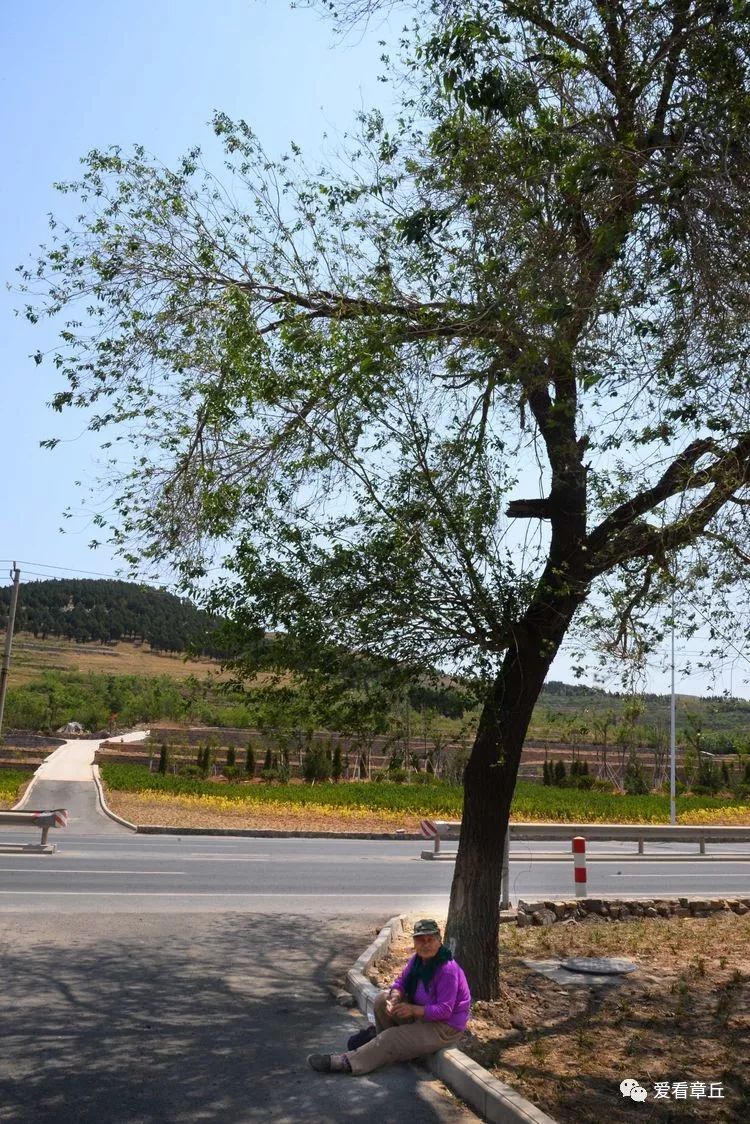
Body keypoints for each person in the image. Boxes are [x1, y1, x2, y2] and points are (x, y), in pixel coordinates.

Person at [307, 918, 471, 1075]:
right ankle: (380, 1046)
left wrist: (413, 1010)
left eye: (431, 939)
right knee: (381, 1001)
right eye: (421, 940)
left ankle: (345, 1062)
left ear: (439, 940)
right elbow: (399, 984)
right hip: (424, 1016)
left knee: (391, 1038)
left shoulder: (447, 969)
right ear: (414, 942)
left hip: (445, 1027)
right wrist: (394, 999)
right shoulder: (417, 961)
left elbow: (445, 1010)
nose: (426, 944)